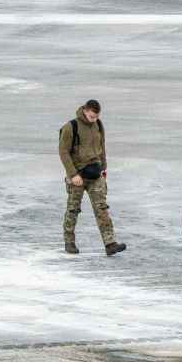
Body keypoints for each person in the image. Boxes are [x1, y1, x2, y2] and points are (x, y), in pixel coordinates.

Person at [58, 100, 124, 255]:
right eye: (92, 116)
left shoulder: (98, 125)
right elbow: (63, 152)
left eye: (96, 116)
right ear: (85, 111)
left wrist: (104, 168)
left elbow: (102, 148)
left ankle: (110, 243)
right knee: (73, 209)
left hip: (95, 174)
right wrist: (72, 174)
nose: (94, 119)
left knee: (102, 208)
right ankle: (69, 242)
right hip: (77, 176)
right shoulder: (70, 127)